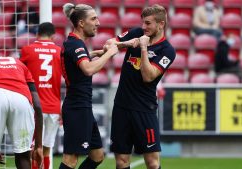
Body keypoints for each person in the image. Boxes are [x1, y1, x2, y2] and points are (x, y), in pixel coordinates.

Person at [108, 5, 176, 169]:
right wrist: (127, 43)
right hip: (122, 107)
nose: (144, 27)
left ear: (161, 24)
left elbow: (148, 76)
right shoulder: (136, 33)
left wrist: (143, 48)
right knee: (121, 161)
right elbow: (110, 43)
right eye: (143, 23)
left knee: (152, 163)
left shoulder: (167, 50)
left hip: (144, 109)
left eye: (148, 23)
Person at [58, 3, 118, 169]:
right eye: (93, 19)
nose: (98, 23)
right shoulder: (75, 44)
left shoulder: (74, 43)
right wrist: (109, 54)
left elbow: (73, 59)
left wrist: (96, 53)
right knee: (70, 159)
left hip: (83, 107)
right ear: (81, 23)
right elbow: (88, 69)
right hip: (77, 108)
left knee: (97, 155)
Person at [20, 22, 62, 169]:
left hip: (34, 106)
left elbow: (20, 74)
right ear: (53, 36)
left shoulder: (27, 50)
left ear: (37, 34)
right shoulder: (59, 51)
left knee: (33, 147)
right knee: (47, 148)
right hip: (54, 106)